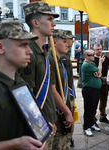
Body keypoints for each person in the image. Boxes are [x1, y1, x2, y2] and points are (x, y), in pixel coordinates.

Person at [18, 2, 73, 149]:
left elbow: (49, 89)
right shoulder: (28, 52)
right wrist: (40, 124)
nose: (54, 24)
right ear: (35, 23)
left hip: (48, 121)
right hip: (39, 128)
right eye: (49, 19)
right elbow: (26, 96)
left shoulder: (41, 52)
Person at [0, 21, 46, 149]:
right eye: (23, 45)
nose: (30, 52)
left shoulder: (19, 81)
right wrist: (16, 144)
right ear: (0, 47)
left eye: (29, 45)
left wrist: (41, 127)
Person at [49, 29, 73, 150]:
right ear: (54, 42)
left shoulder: (59, 60)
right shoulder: (50, 59)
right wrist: (67, 111)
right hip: (56, 111)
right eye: (64, 41)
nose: (68, 44)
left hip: (64, 105)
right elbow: (52, 91)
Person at [82, 50, 105, 136]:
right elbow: (99, 72)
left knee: (93, 109)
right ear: (86, 56)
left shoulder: (92, 64)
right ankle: (86, 127)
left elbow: (99, 74)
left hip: (95, 90)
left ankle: (91, 124)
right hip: (89, 90)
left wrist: (98, 73)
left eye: (93, 54)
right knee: (88, 109)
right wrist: (100, 62)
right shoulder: (86, 65)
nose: (93, 56)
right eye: (91, 55)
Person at [93, 42, 109, 124]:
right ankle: (93, 118)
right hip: (96, 83)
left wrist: (107, 78)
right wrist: (101, 78)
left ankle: (103, 116)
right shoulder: (92, 59)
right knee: (94, 101)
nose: (99, 51)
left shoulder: (106, 58)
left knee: (104, 100)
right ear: (94, 50)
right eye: (97, 49)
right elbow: (94, 72)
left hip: (105, 83)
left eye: (100, 49)